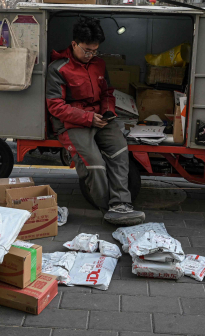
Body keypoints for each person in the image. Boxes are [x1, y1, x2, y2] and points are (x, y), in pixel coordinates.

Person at [46, 17, 145, 226]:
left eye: (95, 51)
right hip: (71, 123)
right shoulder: (58, 68)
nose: (91, 55)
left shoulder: (99, 64)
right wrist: (89, 118)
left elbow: (107, 93)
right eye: (87, 51)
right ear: (74, 45)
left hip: (100, 118)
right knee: (95, 165)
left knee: (119, 150)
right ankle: (106, 208)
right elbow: (56, 106)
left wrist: (108, 112)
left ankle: (122, 205)